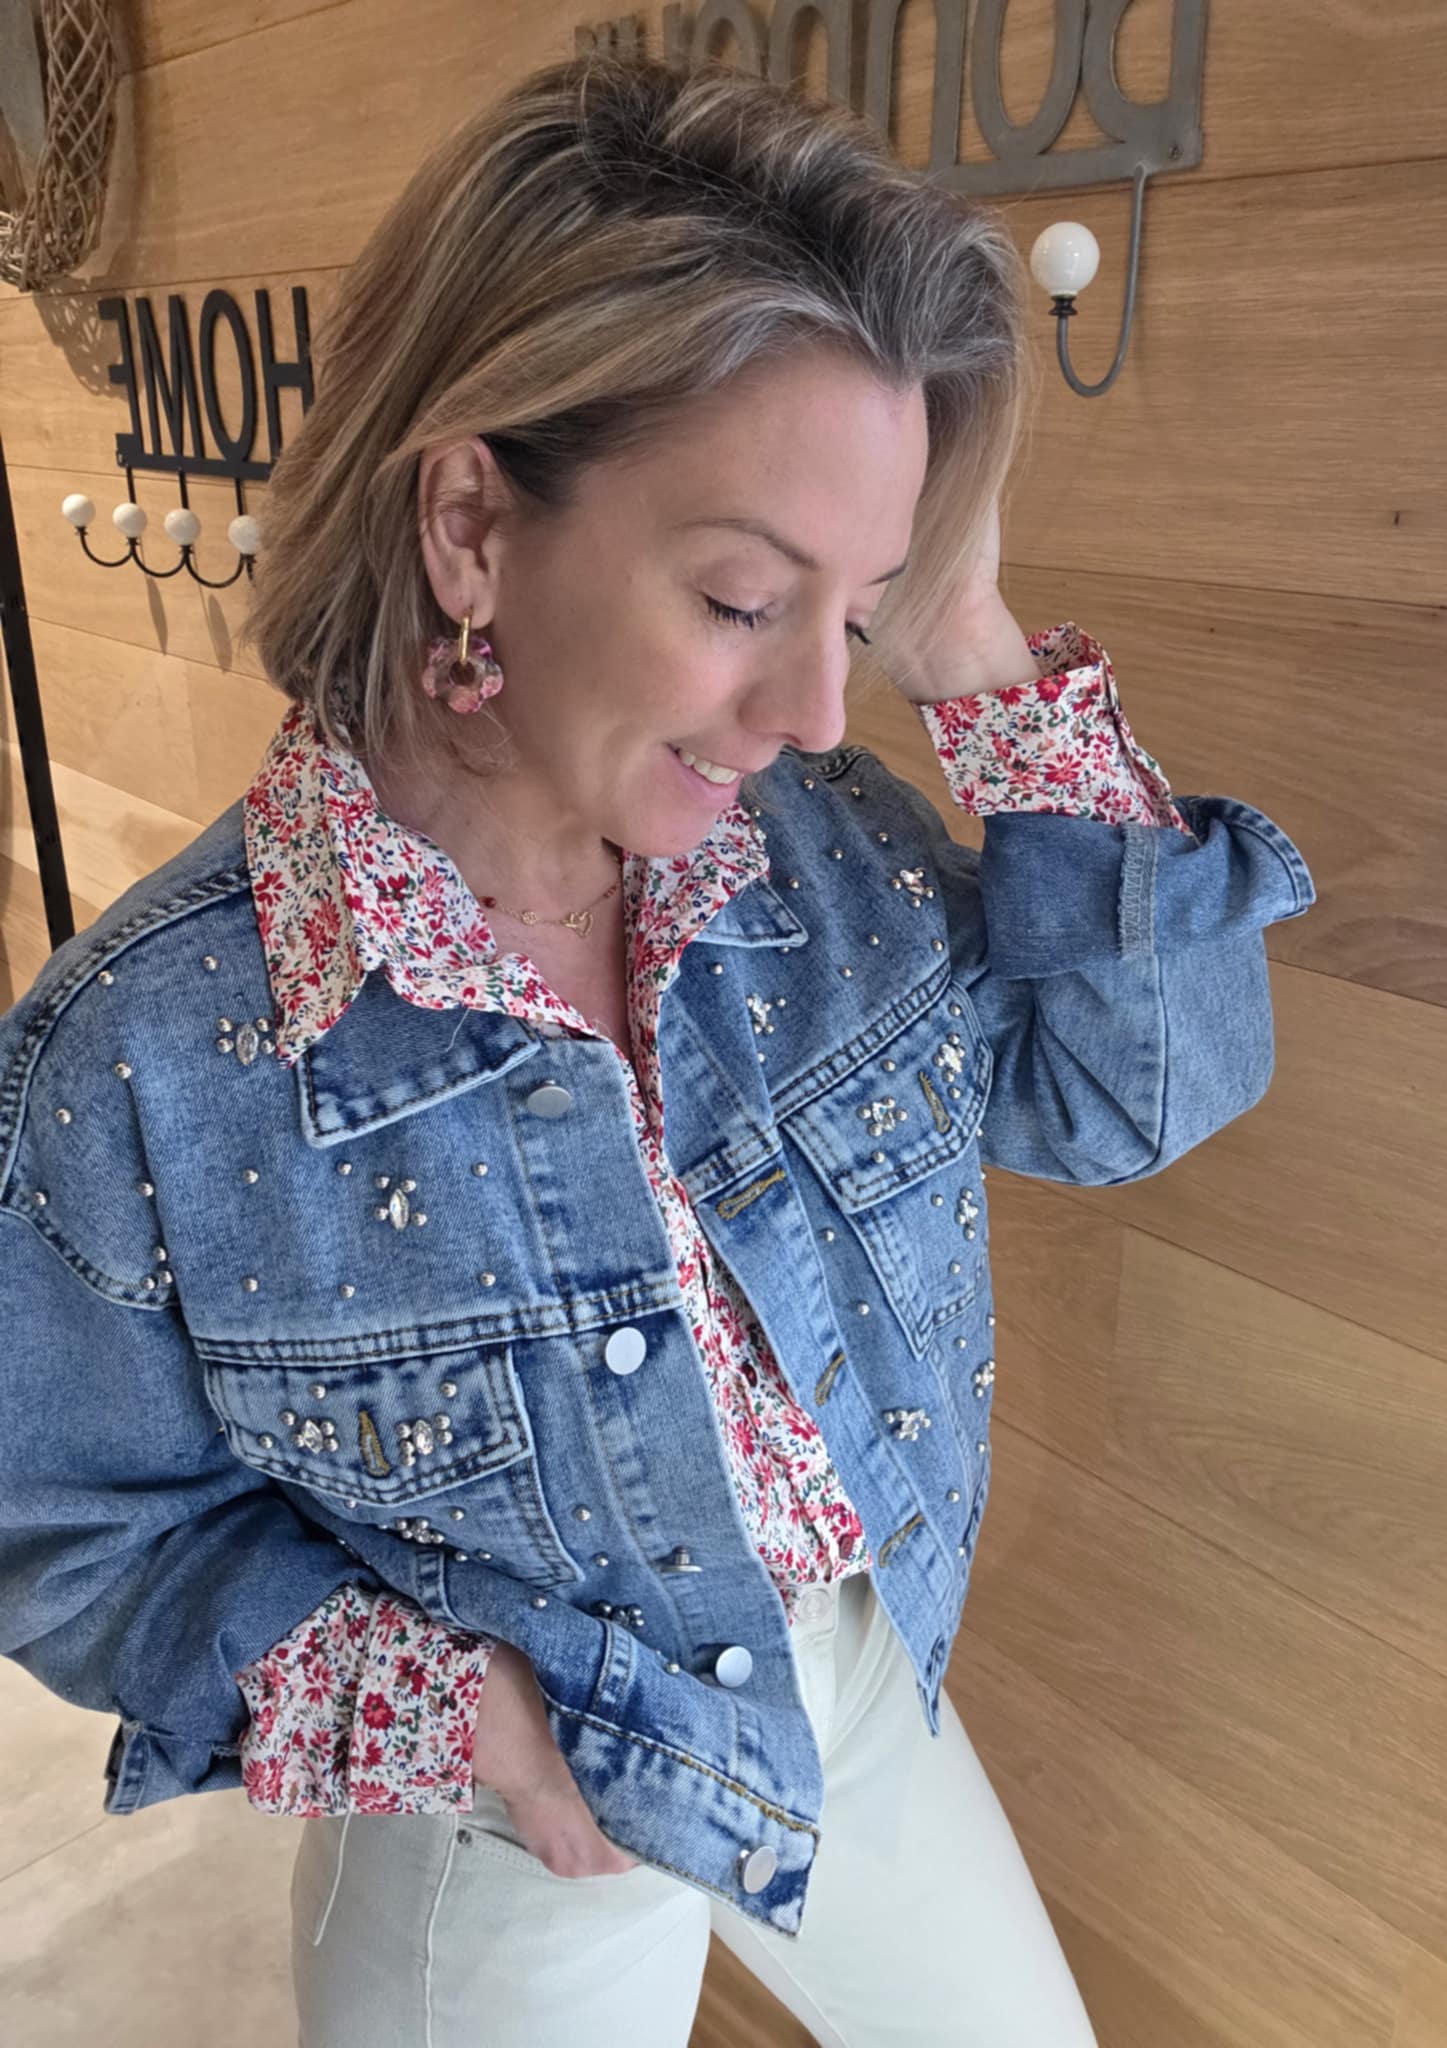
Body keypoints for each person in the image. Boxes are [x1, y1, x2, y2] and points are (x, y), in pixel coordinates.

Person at [0, 48, 1315, 2048]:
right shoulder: (152, 1057)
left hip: (855, 1683)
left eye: (856, 614)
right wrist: (454, 1716)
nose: (816, 711)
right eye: (741, 597)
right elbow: (65, 1524)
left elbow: (1137, 1092)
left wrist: (961, 630)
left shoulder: (830, 860)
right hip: (524, 1821)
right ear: (469, 523)